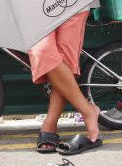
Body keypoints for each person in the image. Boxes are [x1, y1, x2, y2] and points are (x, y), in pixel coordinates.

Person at [28, 9, 102, 155]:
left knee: (66, 62)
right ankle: (88, 111)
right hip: (36, 0)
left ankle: (50, 123)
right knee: (41, 51)